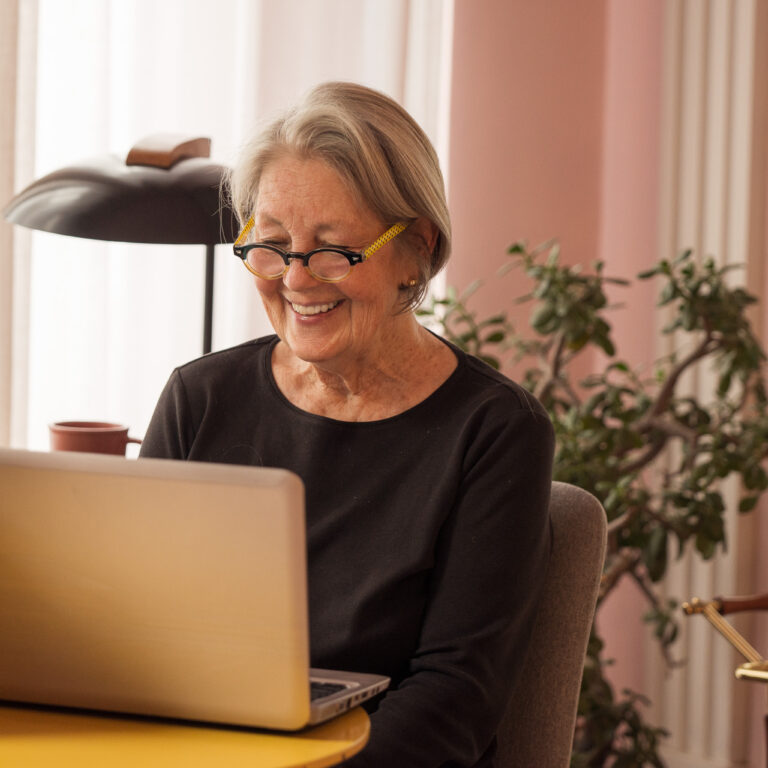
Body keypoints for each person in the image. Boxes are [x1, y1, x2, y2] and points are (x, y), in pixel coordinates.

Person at [140, 81, 554, 767]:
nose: (296, 280)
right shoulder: (200, 398)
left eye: (333, 250)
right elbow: (134, 636)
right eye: (273, 244)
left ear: (415, 250)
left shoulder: (495, 430)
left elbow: (454, 700)